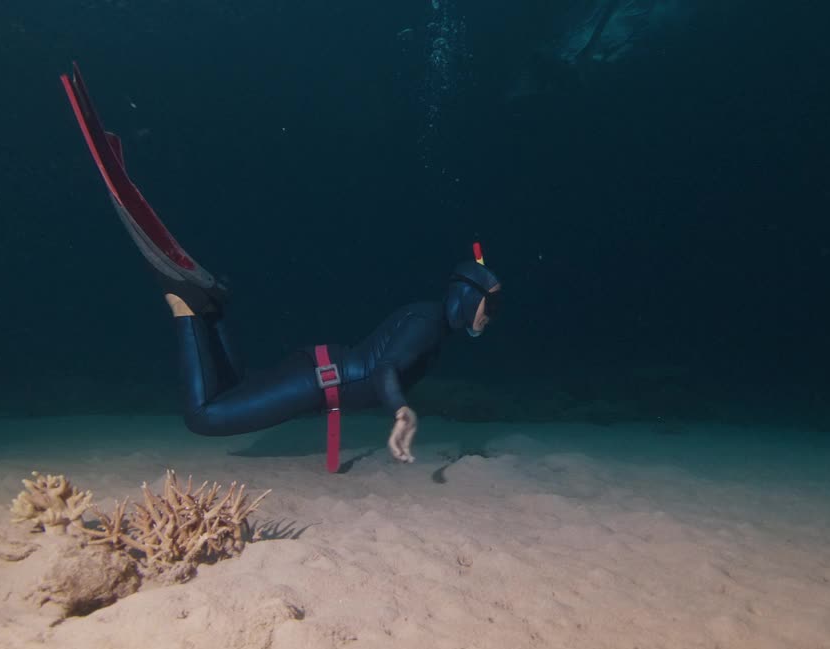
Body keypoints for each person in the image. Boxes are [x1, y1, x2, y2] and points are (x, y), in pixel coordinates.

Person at [60, 63, 501, 471]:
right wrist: (401, 409)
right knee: (203, 417)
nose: (489, 316)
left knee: (230, 387)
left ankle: (211, 309)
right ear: (467, 296)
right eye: (489, 305)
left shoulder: (429, 320)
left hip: (317, 370)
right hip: (317, 381)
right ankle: (187, 305)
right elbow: (385, 369)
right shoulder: (427, 323)